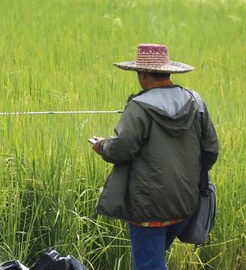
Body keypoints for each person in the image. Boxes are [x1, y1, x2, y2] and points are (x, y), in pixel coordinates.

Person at [90, 44, 219, 270]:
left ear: (143, 74)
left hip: (150, 211)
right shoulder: (195, 101)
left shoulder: (139, 107)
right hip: (186, 204)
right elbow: (210, 151)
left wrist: (102, 146)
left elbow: (121, 149)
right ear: (168, 71)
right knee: (155, 261)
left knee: (149, 266)